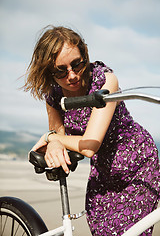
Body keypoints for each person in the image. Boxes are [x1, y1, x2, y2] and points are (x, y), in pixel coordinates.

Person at [24, 25, 160, 235]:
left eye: (77, 64)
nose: (71, 75)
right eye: (60, 70)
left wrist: (50, 137)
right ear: (49, 72)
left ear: (85, 56)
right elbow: (59, 140)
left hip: (137, 165)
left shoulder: (105, 80)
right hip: (103, 172)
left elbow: (90, 145)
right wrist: (54, 141)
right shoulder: (53, 96)